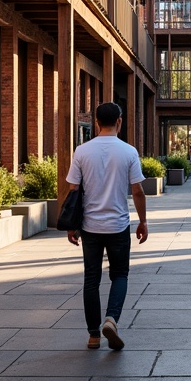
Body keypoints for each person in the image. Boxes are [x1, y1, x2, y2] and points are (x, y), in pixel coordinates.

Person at [61, 102, 148, 349]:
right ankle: (111, 318)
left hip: (90, 226)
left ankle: (93, 335)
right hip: (118, 225)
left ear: (96, 122)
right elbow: (138, 191)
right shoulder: (129, 152)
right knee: (120, 274)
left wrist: (71, 224)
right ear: (119, 121)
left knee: (91, 278)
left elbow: (73, 190)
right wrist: (142, 221)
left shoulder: (81, 151)